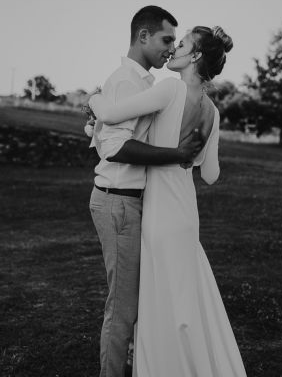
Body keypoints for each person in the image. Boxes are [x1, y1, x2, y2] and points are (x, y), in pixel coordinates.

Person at [89, 25, 247, 377]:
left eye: (183, 44)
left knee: (159, 298)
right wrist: (193, 151)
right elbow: (210, 174)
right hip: (186, 213)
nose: (174, 49)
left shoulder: (170, 89)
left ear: (195, 56)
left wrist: (94, 98)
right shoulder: (212, 111)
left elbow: (110, 115)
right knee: (185, 296)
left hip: (159, 211)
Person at [87, 6, 202, 377]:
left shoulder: (143, 84)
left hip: (131, 202)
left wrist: (94, 118)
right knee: (122, 307)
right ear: (143, 36)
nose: (171, 48)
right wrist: (176, 155)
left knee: (138, 299)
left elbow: (103, 136)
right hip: (118, 201)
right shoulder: (126, 81)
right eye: (167, 39)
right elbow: (114, 147)